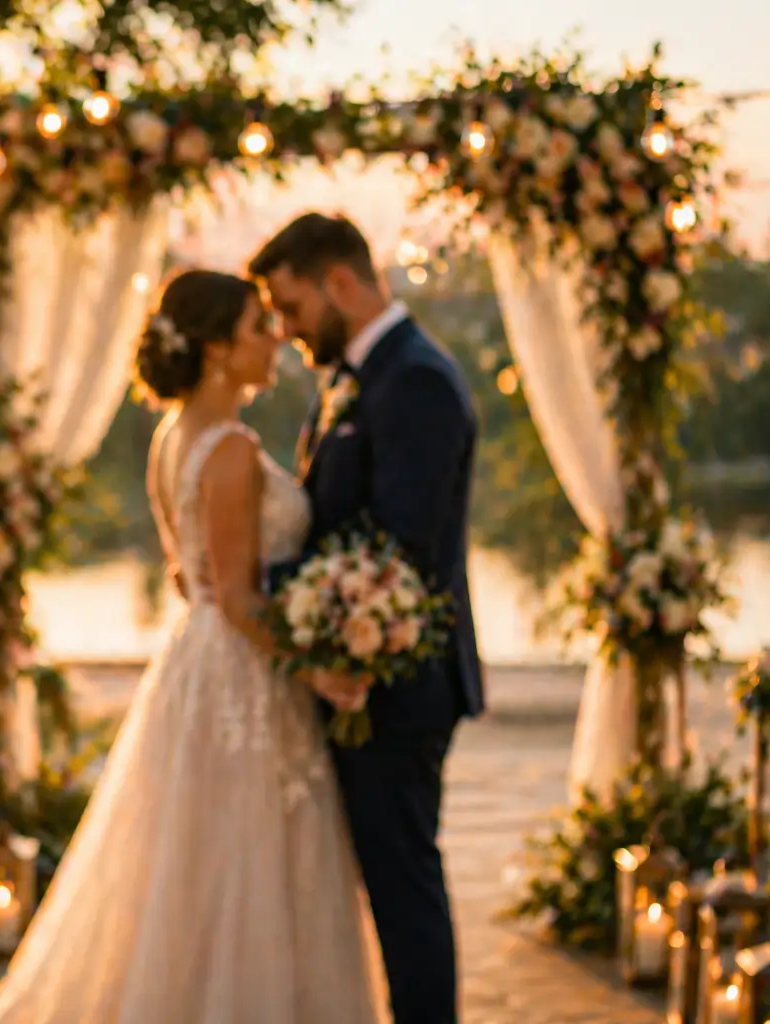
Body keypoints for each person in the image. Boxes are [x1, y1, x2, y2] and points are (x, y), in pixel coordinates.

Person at [0, 269, 386, 1024]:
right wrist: (320, 672)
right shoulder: (228, 446)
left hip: (196, 663)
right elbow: (233, 596)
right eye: (260, 327)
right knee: (246, 867)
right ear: (219, 349)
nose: (276, 340)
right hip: (239, 674)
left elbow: (184, 574)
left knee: (190, 866)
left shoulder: (174, 435)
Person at [252, 212, 484, 1024]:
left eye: (291, 308)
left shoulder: (413, 378)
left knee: (404, 890)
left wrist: (257, 585)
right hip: (361, 672)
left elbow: (400, 547)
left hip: (397, 680)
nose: (284, 330)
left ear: (339, 283)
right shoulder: (358, 374)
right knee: (386, 885)